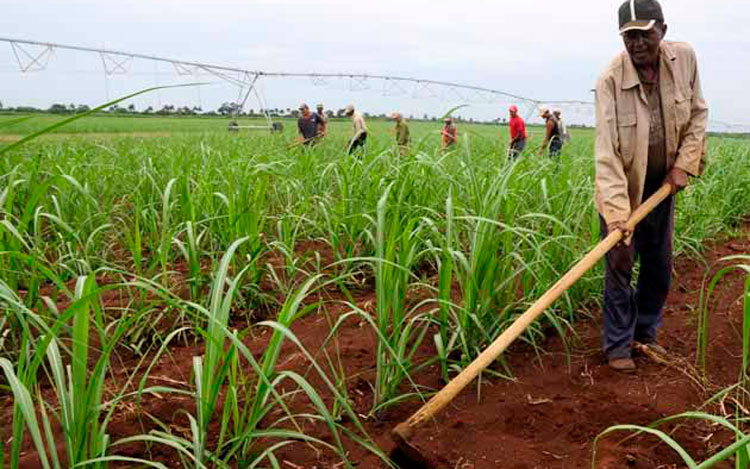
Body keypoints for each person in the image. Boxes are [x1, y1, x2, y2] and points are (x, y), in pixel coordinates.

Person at [595, 0, 708, 372]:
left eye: (644, 33)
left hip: (663, 186)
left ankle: (645, 334)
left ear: (662, 28)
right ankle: (617, 346)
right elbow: (607, 155)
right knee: (620, 263)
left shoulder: (684, 59)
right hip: (623, 192)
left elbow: (697, 114)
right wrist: (616, 218)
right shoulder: (610, 80)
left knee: (658, 265)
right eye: (629, 36)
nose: (637, 43)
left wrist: (683, 165)